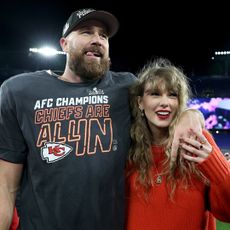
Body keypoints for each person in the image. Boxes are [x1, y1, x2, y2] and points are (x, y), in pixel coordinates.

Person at [0, 8, 203, 230]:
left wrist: (191, 114)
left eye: (103, 35)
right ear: (64, 44)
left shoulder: (126, 87)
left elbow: (164, 102)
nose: (97, 40)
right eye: (86, 32)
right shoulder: (19, 91)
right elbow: (6, 185)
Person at [125, 58, 230, 230]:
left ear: (180, 102)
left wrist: (216, 166)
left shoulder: (197, 140)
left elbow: (227, 212)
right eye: (155, 94)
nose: (165, 102)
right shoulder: (126, 147)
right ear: (140, 102)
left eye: (172, 95)